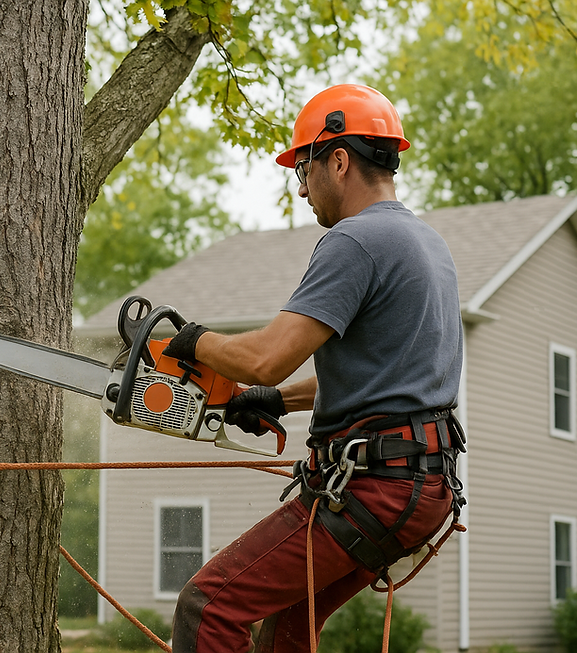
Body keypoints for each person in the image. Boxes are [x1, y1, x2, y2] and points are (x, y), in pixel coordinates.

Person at [161, 84, 467, 653]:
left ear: (340, 160)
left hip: (376, 485)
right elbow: (379, 374)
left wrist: (192, 341)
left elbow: (266, 358)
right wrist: (275, 401)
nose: (301, 189)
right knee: (290, 625)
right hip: (422, 483)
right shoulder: (427, 244)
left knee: (208, 606)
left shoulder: (356, 240)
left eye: (303, 169)